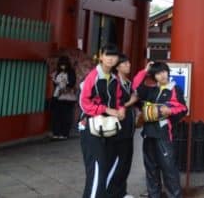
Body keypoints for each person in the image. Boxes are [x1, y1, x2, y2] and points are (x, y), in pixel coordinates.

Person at [133, 61, 188, 198]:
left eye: (164, 72)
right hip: (148, 135)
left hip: (163, 136)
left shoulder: (175, 90)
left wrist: (169, 110)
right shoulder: (151, 90)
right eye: (158, 73)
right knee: (151, 170)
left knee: (169, 170)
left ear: (168, 72)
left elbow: (183, 109)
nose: (162, 75)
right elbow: (135, 88)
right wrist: (145, 71)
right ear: (154, 76)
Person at [79, 44, 125, 198]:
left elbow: (118, 99)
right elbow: (84, 103)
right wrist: (105, 109)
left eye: (114, 56)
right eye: (107, 55)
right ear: (101, 56)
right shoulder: (93, 76)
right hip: (91, 127)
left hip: (109, 127)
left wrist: (121, 110)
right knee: (97, 168)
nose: (111, 59)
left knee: (108, 164)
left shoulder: (114, 78)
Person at [108, 54, 137, 198]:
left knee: (126, 161)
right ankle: (113, 192)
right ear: (117, 66)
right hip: (118, 129)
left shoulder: (129, 82)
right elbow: (115, 106)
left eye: (128, 63)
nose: (128, 65)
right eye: (125, 64)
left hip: (129, 129)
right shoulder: (114, 83)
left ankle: (121, 191)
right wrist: (131, 101)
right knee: (118, 161)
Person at [51, 55, 77, 140]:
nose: (63, 66)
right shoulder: (57, 72)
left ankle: (64, 133)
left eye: (64, 64)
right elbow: (54, 84)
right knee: (56, 116)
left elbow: (72, 83)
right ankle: (56, 132)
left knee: (66, 116)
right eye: (61, 64)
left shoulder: (71, 72)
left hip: (67, 97)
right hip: (57, 95)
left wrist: (66, 84)